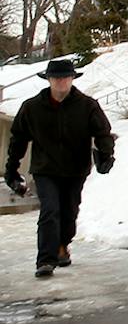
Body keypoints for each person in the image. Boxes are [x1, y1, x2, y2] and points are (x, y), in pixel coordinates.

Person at [4, 59, 116, 279]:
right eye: (56, 78)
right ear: (48, 80)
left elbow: (103, 132)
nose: (61, 81)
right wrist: (11, 170)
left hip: (76, 169)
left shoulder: (87, 105)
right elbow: (18, 138)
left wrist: (106, 155)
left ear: (72, 78)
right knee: (50, 210)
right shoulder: (32, 107)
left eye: (66, 77)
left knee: (69, 212)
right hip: (45, 169)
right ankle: (45, 259)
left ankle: (62, 245)